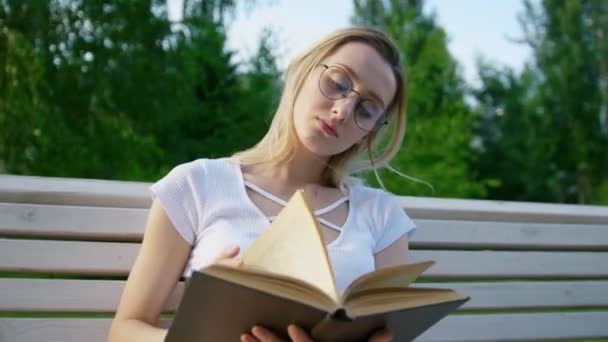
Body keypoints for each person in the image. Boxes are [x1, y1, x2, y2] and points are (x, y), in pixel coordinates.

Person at [108, 26, 416, 342]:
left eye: (367, 110)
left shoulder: (382, 214)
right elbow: (125, 329)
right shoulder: (197, 185)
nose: (342, 111)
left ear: (370, 132)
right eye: (337, 83)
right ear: (303, 71)